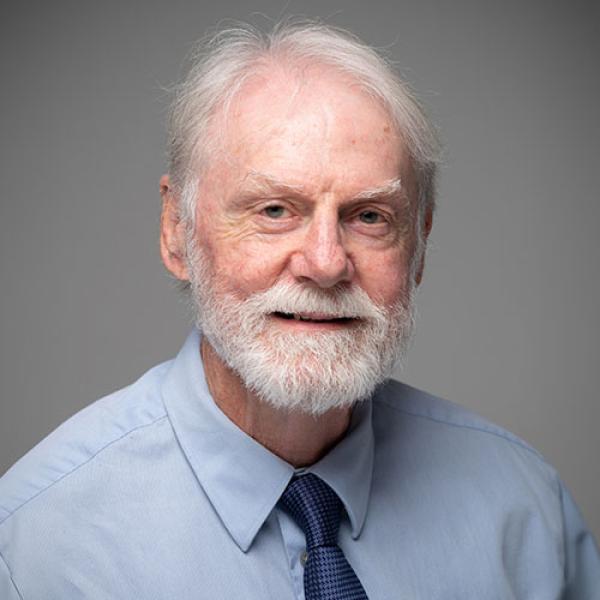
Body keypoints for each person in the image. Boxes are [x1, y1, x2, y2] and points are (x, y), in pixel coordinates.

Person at [0, 20, 598, 599]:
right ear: (176, 230)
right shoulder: (36, 547)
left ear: (419, 241)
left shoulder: (524, 514)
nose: (325, 262)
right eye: (275, 211)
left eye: (369, 217)